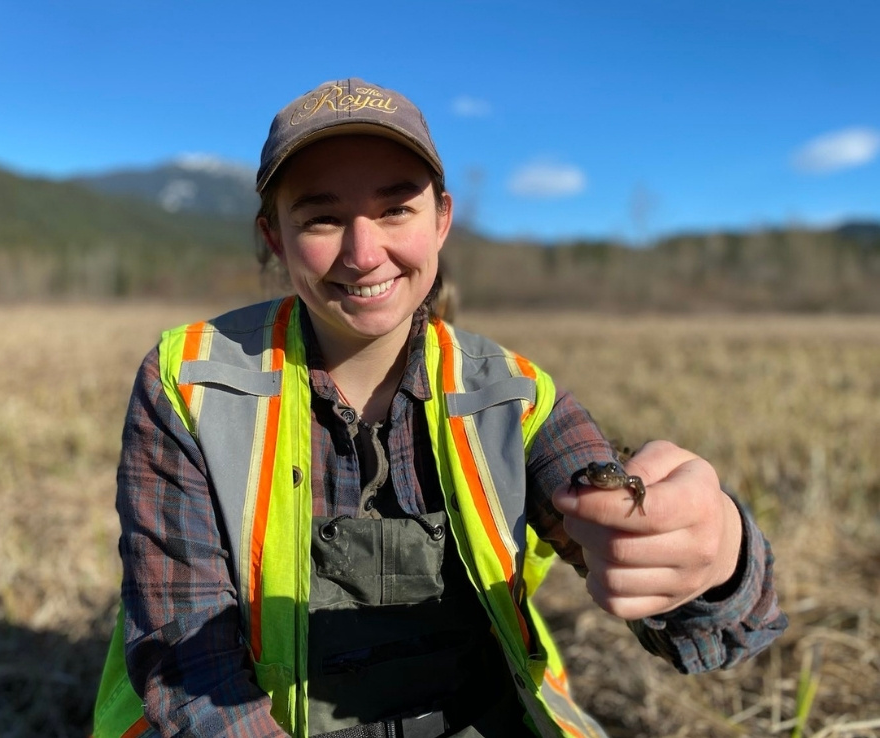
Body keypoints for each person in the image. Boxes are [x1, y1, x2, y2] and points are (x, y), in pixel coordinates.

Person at [93, 78, 787, 738]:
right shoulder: (190, 382)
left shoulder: (514, 397)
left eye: (396, 209)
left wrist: (713, 554)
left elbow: (698, 618)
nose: (364, 253)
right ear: (274, 236)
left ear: (441, 220)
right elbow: (188, 656)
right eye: (322, 217)